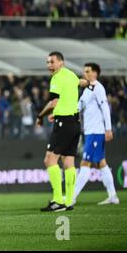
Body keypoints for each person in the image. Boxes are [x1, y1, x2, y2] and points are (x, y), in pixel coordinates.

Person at [35, 51, 81, 212]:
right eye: (47, 62)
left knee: (49, 160)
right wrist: (90, 83)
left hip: (64, 123)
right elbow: (80, 83)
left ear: (61, 62)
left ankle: (58, 201)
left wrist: (40, 115)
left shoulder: (57, 77)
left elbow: (54, 102)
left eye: (52, 62)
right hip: (75, 123)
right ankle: (69, 201)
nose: (49, 66)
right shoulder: (71, 75)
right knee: (68, 162)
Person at [72, 63, 119, 205]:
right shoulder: (87, 90)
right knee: (101, 164)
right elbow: (78, 107)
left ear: (95, 74)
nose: (84, 74)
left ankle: (71, 197)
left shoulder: (98, 88)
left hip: (96, 132)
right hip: (90, 132)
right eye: (84, 71)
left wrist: (108, 129)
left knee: (85, 163)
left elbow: (105, 107)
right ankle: (113, 196)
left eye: (87, 71)